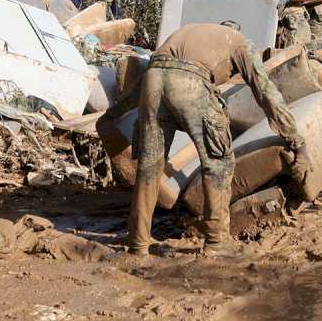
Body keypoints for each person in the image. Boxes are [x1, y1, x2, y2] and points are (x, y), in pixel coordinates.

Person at [126, 22, 312, 257]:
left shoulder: (191, 32)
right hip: (189, 83)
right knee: (219, 161)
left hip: (152, 79)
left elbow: (153, 72)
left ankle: (138, 243)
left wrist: (111, 116)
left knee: (150, 165)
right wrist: (298, 142)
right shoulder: (240, 43)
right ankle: (216, 242)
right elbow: (266, 92)